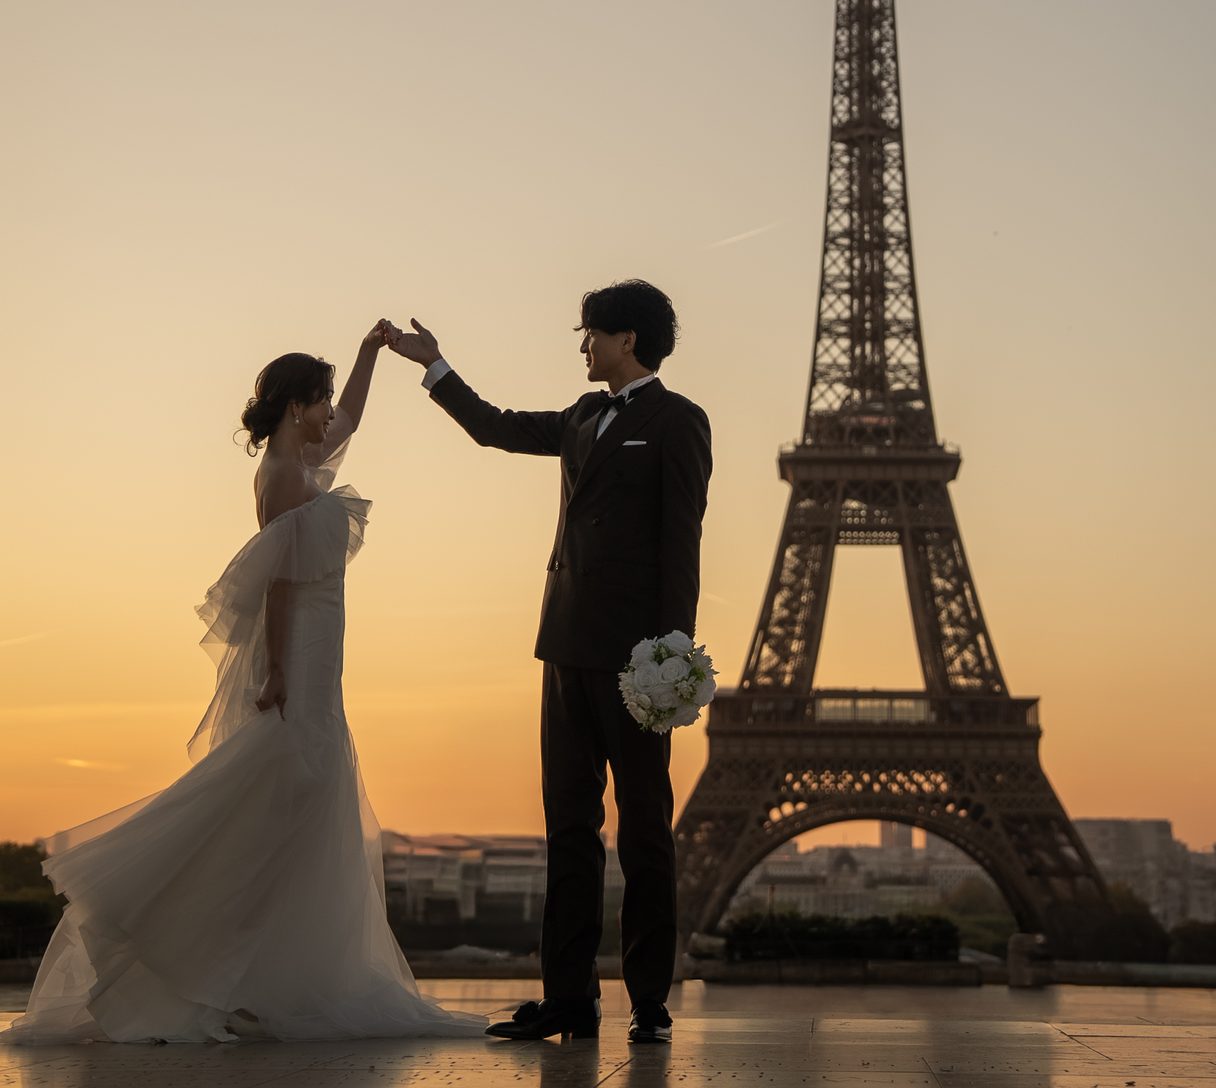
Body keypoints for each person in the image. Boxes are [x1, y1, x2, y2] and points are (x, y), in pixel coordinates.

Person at [5, 324, 485, 1046]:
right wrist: (284, 672)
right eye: (320, 400)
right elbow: (280, 586)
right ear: (296, 406)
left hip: (321, 650)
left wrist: (368, 353)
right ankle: (199, 947)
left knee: (296, 802)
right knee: (285, 800)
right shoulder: (286, 477)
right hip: (303, 650)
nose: (331, 413)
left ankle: (254, 973)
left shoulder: (302, 458)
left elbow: (353, 416)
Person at [390, 279, 712, 1045]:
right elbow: (495, 428)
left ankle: (647, 1003)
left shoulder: (678, 421)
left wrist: (668, 655)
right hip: (564, 650)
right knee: (567, 830)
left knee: (644, 835)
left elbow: (682, 545)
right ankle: (568, 999)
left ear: (625, 339)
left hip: (636, 663)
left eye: (589, 333)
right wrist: (435, 367)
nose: (582, 346)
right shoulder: (579, 417)